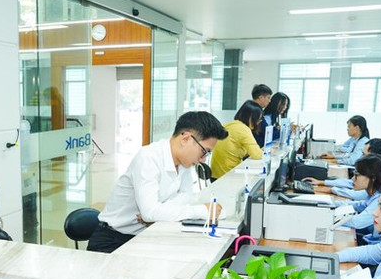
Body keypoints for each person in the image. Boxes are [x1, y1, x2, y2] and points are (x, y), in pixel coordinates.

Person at [87, 111, 229, 253]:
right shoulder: (149, 157)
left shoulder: (184, 163)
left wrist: (159, 212)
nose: (203, 159)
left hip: (146, 234)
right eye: (204, 151)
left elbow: (186, 197)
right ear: (186, 138)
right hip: (113, 240)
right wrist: (202, 211)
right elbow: (150, 212)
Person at [306, 138, 381, 200]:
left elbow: (359, 195)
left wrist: (330, 190)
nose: (360, 158)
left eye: (364, 154)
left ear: (375, 157)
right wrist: (322, 182)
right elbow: (351, 183)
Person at [334, 154, 381, 243]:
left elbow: (356, 222)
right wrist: (331, 203)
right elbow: (358, 205)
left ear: (373, 178)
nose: (353, 179)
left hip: (374, 245)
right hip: (369, 238)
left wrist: (328, 216)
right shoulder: (375, 194)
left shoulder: (379, 199)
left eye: (356, 176)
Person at [210, 101, 264, 179]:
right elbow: (257, 155)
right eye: (258, 119)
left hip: (215, 174)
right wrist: (263, 151)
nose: (259, 122)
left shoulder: (229, 124)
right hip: (227, 175)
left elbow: (234, 149)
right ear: (251, 118)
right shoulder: (243, 129)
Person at [250, 84, 273, 148]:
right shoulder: (254, 111)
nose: (269, 101)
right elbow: (266, 132)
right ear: (261, 98)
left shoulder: (254, 109)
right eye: (268, 97)